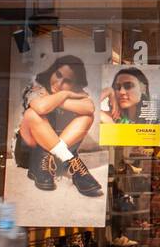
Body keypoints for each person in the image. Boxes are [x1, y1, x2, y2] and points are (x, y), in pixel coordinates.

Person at [12, 54, 103, 197]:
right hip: (29, 152)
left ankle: (47, 157)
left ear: (75, 84)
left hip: (54, 158)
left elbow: (90, 108)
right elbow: (41, 108)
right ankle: (72, 162)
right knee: (32, 114)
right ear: (52, 70)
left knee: (87, 116)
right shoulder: (35, 87)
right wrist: (65, 94)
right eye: (58, 75)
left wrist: (56, 99)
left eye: (67, 81)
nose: (59, 83)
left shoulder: (77, 93)